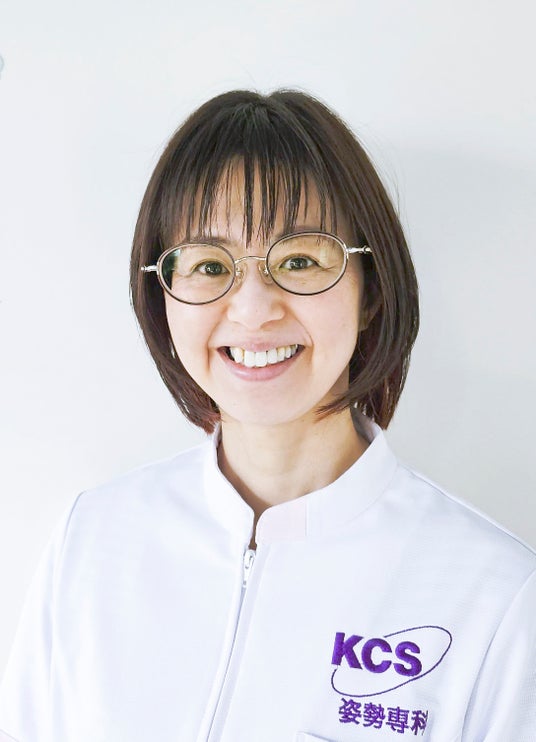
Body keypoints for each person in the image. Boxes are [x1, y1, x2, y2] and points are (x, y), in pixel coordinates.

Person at [0, 89, 534, 742]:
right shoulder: (91, 539)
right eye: (209, 265)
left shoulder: (495, 596)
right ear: (162, 296)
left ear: (371, 289)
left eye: (300, 261)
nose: (253, 310)